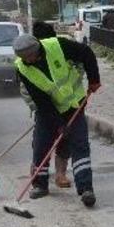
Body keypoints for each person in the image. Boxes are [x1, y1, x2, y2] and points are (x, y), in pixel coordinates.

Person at [13, 32, 101, 207]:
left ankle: (86, 189)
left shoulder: (58, 46)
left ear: (37, 49)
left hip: (73, 105)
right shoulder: (22, 68)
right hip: (47, 110)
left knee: (79, 145)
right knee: (41, 145)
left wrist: (94, 79)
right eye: (24, 58)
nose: (28, 61)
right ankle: (40, 185)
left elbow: (86, 53)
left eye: (30, 56)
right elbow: (41, 101)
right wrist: (59, 124)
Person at [29, 21, 71, 189]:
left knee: (64, 139)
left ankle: (60, 174)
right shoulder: (27, 56)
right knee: (41, 141)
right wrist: (37, 106)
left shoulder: (62, 50)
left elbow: (77, 71)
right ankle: (38, 170)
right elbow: (26, 90)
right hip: (43, 109)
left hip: (65, 106)